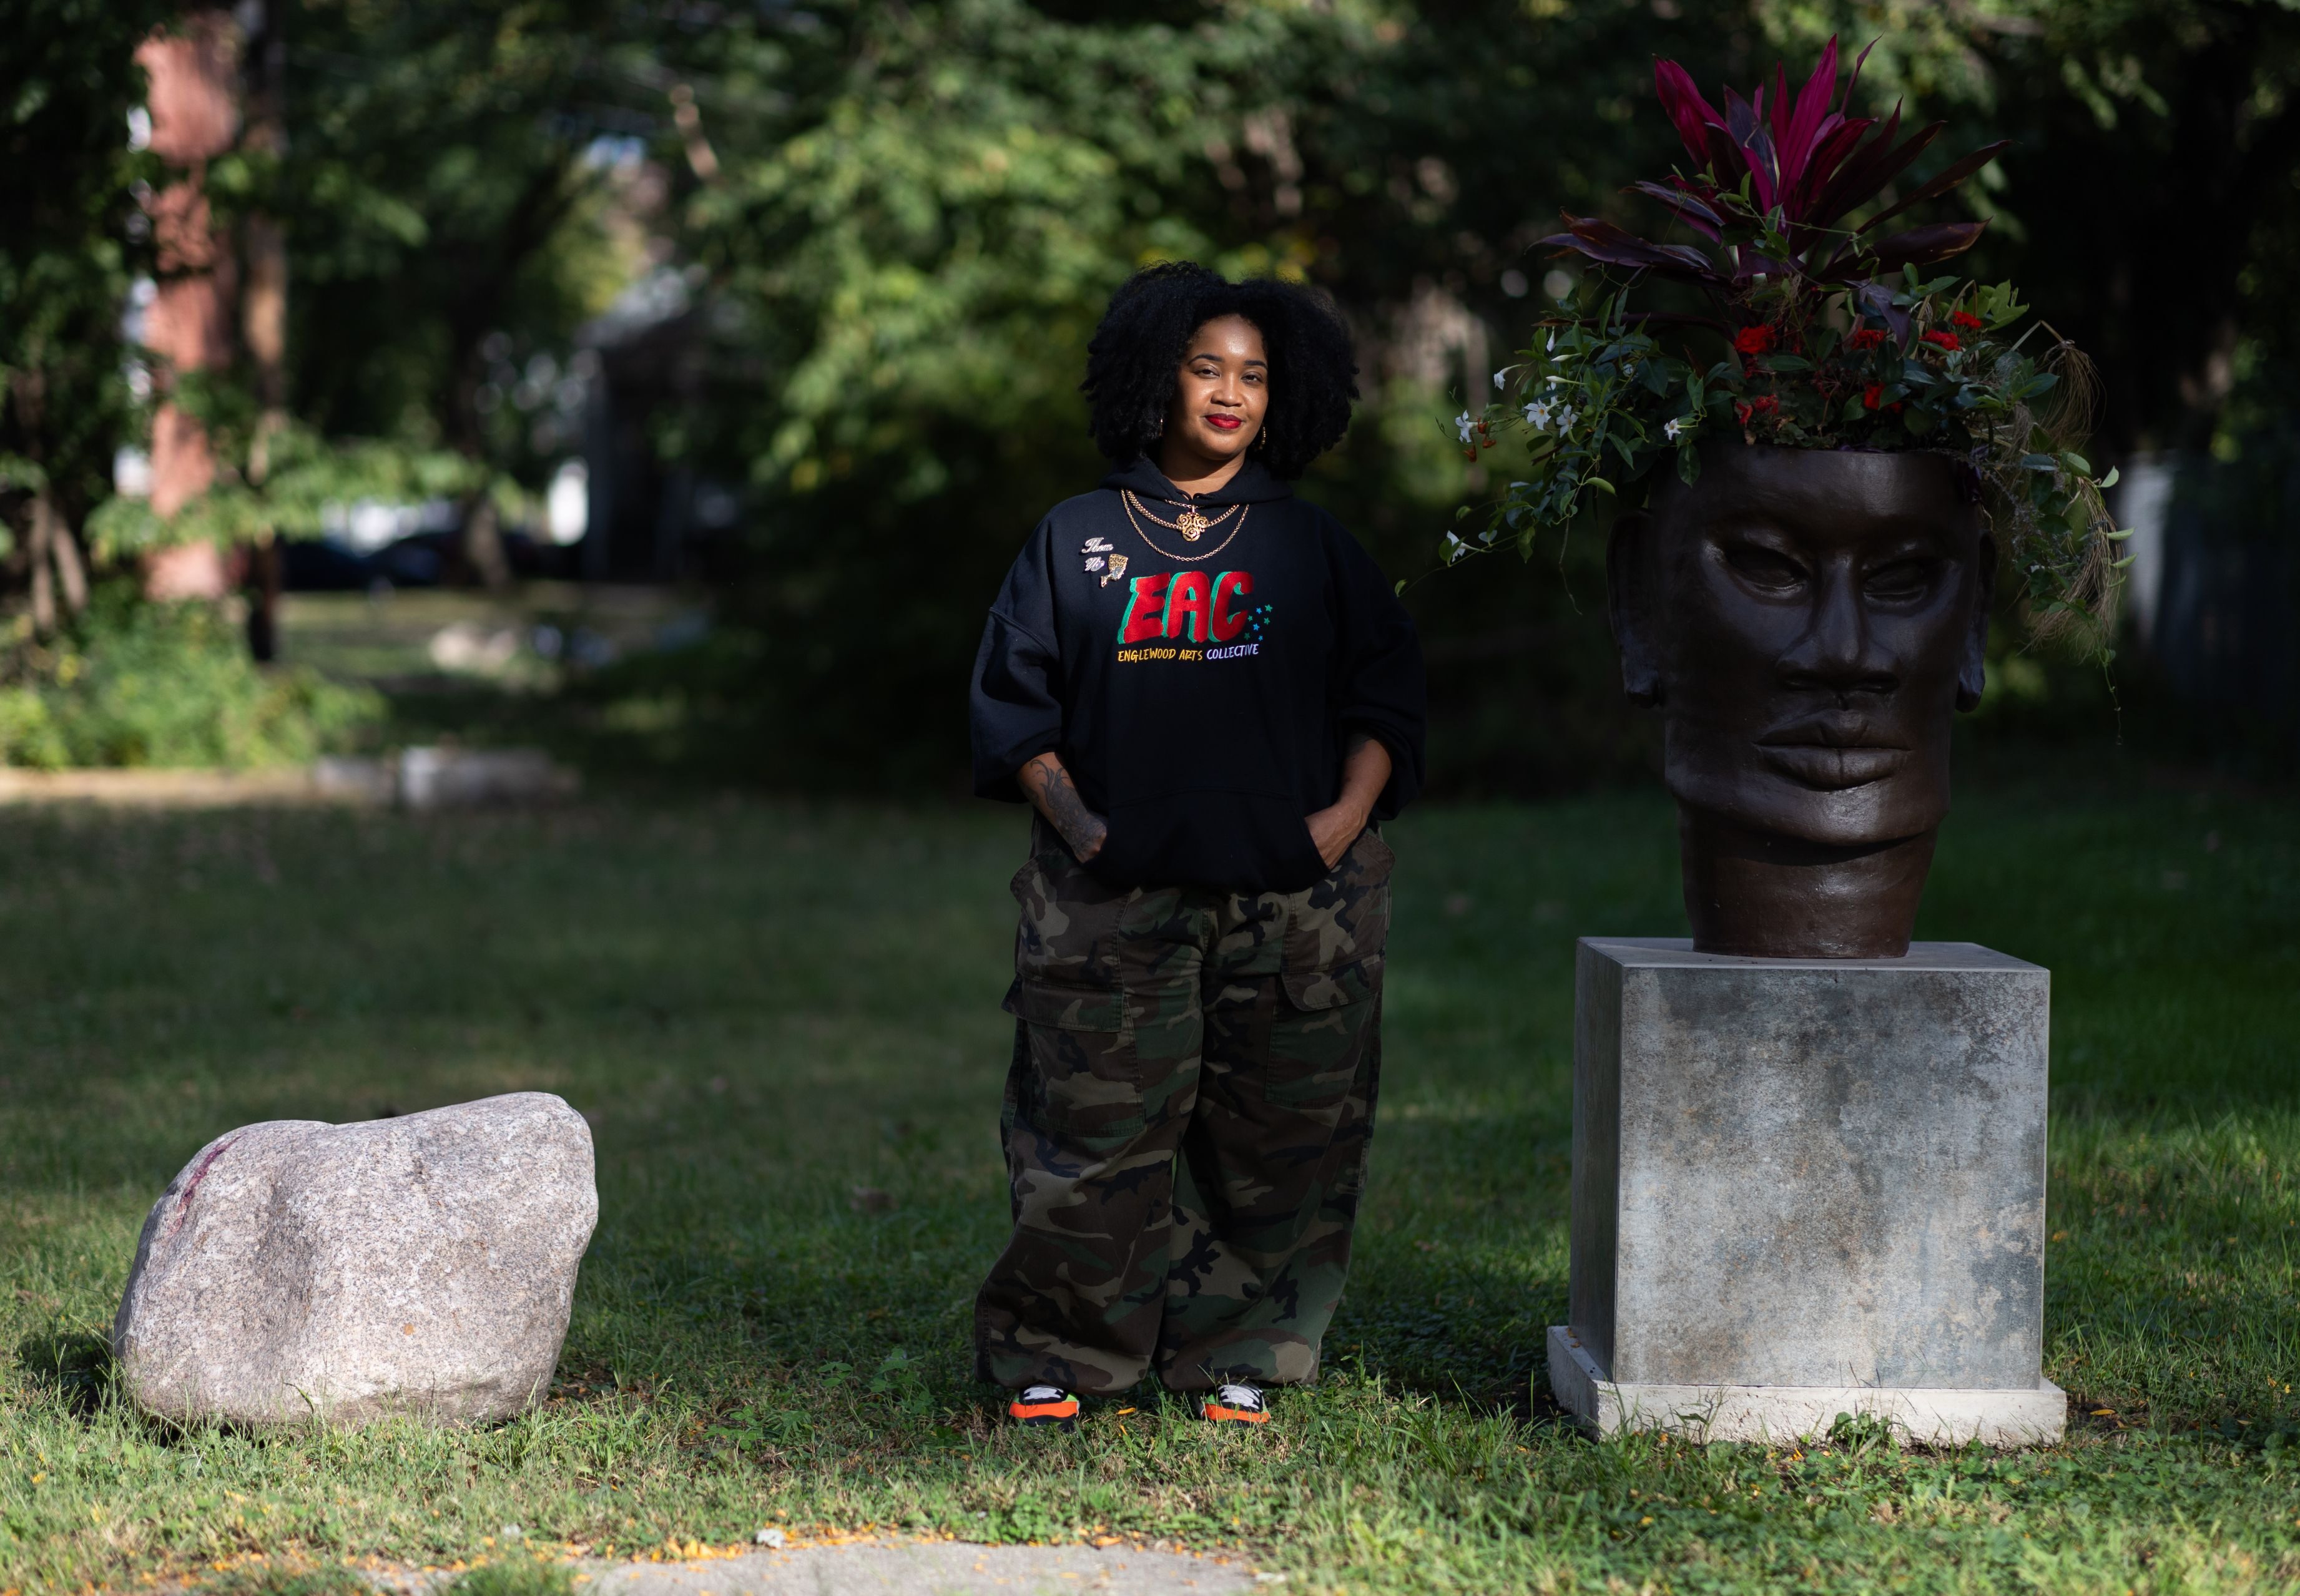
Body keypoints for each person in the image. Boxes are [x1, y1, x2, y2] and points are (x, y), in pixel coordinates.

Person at [967, 262, 1427, 1429]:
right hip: (1110, 905)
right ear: (1155, 373)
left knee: (1280, 1138)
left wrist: (1335, 824)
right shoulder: (1074, 540)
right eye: (1207, 366)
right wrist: (1086, 830)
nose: (1231, 393)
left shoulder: (1314, 548)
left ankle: (1242, 1353)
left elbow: (1388, 705)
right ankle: (1063, 1359)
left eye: (1255, 376)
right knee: (1089, 1141)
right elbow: (1014, 712)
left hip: (1297, 902)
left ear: (1284, 399)